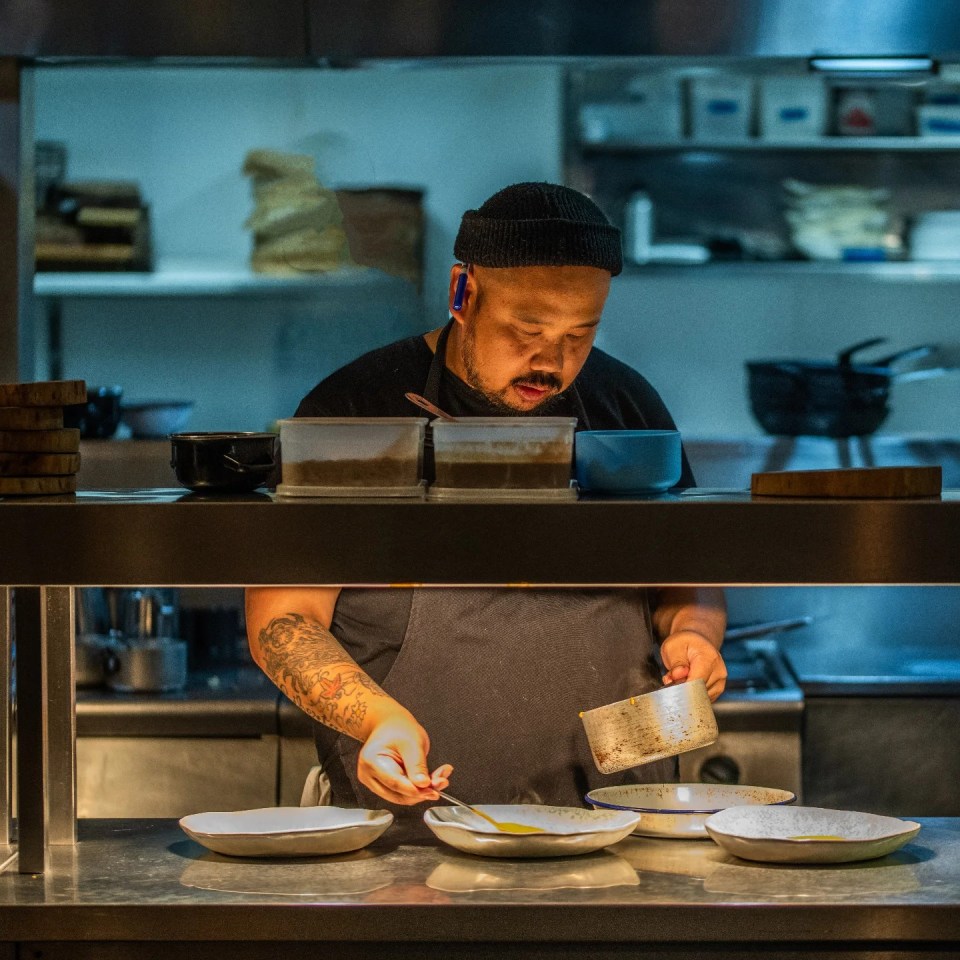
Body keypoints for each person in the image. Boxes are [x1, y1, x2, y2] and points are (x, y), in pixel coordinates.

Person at [246, 182, 727, 817]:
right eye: (526, 329)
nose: (551, 362)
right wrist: (375, 719)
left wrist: (693, 634)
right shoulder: (353, 411)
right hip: (410, 825)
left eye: (579, 335)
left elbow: (686, 576)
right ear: (462, 294)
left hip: (616, 822)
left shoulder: (626, 408)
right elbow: (283, 620)